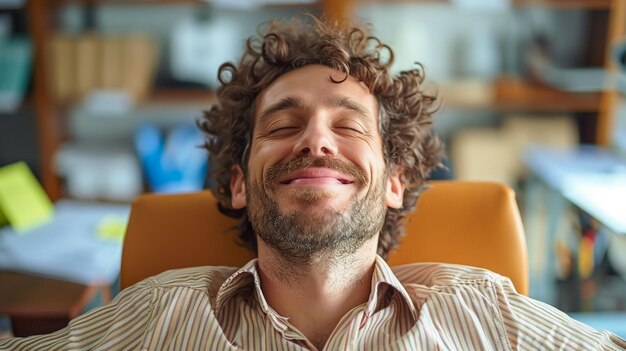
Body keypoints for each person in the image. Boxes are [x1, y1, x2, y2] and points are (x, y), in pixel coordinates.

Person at [2, 15, 625, 351]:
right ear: (240, 183)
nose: (316, 141)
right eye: (283, 124)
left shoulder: (482, 311)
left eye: (348, 126)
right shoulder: (162, 312)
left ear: (394, 183)